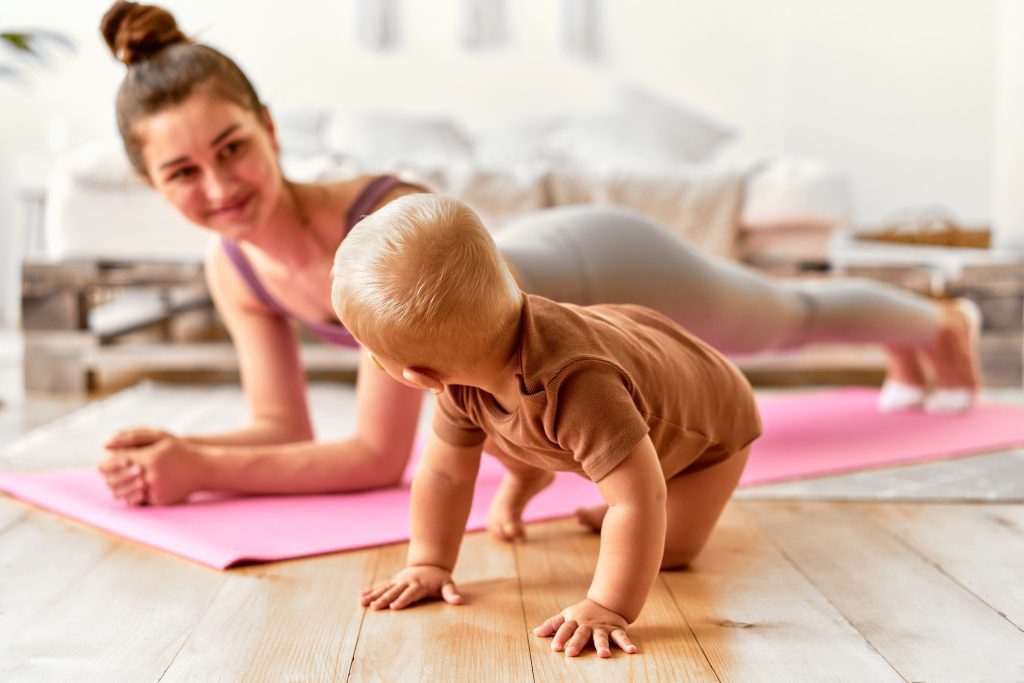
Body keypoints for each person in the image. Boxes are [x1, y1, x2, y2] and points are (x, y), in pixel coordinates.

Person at [96, 1, 980, 507]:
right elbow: (280, 429)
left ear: (271, 130)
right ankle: (919, 332)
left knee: (781, 319)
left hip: (602, 264)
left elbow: (375, 455)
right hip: (564, 285)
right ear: (152, 184)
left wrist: (201, 473)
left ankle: (936, 320)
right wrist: (178, 447)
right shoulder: (235, 264)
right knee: (780, 320)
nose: (219, 186)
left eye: (233, 148)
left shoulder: (383, 219)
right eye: (182, 171)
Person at [334, 194, 762, 657]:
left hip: (711, 423)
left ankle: (614, 492)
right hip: (628, 365)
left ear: (419, 377)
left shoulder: (577, 389)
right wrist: (429, 562)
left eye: (370, 353)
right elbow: (443, 474)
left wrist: (607, 605)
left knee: (669, 549)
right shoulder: (466, 374)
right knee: (488, 430)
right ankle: (556, 475)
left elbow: (645, 497)